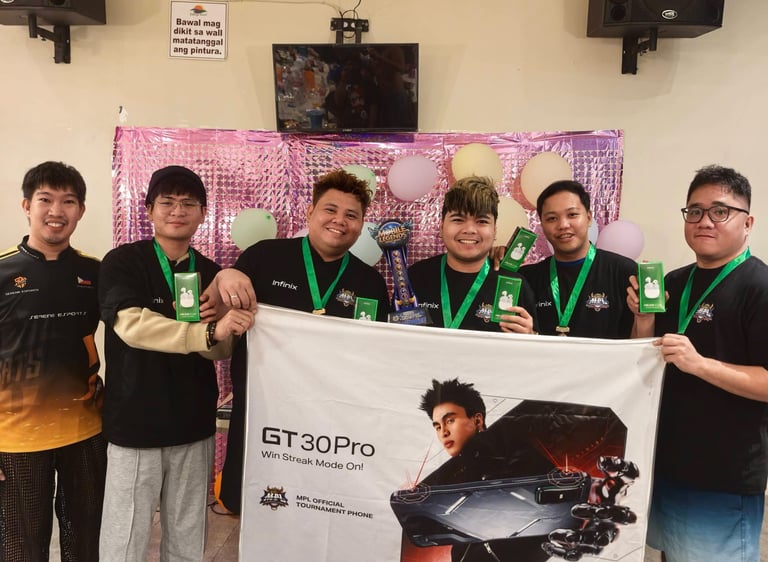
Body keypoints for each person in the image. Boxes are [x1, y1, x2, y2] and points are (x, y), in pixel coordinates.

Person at [97, 166, 255, 561]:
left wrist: (226, 329)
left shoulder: (212, 273)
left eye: (188, 203)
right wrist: (206, 333)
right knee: (124, 536)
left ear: (203, 213)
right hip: (134, 423)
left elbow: (218, 351)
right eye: (167, 202)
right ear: (149, 209)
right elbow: (131, 327)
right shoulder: (123, 262)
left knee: (188, 531)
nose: (177, 211)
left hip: (192, 423)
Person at [211, 168, 390, 514]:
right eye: (330, 209)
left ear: (361, 225)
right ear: (310, 212)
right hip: (263, 416)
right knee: (257, 508)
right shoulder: (263, 258)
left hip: (330, 426)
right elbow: (219, 312)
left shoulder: (370, 283)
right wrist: (223, 276)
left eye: (351, 215)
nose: (339, 221)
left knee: (319, 509)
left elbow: (376, 357)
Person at [627, 165, 768, 562]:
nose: (705, 221)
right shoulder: (673, 282)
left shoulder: (759, 286)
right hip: (666, 462)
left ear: (747, 223)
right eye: (695, 211)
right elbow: (646, 361)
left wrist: (700, 364)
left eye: (720, 211)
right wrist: (643, 320)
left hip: (722, 475)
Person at [0, 161, 105, 561]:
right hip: (16, 436)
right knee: (21, 546)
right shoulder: (3, 272)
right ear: (27, 205)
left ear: (81, 210)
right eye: (45, 199)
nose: (56, 211)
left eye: (68, 201)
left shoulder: (96, 272)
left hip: (86, 429)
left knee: (87, 537)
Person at [408, 176, 537, 333]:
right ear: (441, 227)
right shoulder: (415, 277)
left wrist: (530, 336)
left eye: (481, 221)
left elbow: (534, 345)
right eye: (458, 219)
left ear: (494, 230)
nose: (469, 230)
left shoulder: (514, 284)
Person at [519, 180, 636, 338]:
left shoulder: (624, 272)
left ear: (589, 217)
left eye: (572, 215)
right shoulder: (527, 279)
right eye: (552, 218)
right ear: (542, 225)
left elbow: (641, 343)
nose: (563, 225)